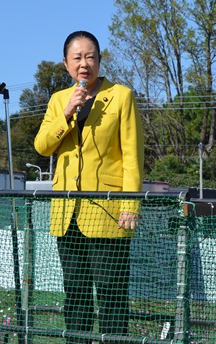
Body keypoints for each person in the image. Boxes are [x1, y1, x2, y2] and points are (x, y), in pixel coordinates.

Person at [34, 30, 144, 343]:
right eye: (78, 57)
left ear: (99, 60)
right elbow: (42, 146)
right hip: (66, 213)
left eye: (91, 56)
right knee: (76, 294)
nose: (85, 63)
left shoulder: (121, 96)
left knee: (111, 293)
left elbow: (132, 157)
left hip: (109, 212)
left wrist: (130, 205)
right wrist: (67, 113)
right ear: (66, 64)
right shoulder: (58, 100)